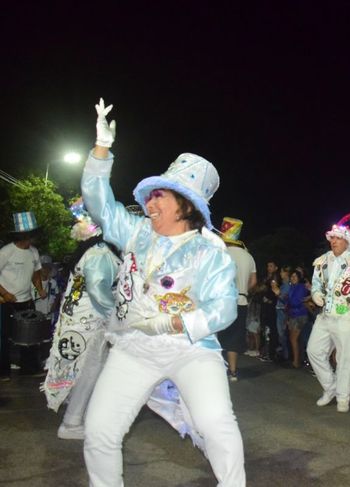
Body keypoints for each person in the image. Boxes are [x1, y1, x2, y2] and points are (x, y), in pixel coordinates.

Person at [80, 98, 245, 485]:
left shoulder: (210, 253)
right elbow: (101, 206)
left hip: (191, 351)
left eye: (160, 196)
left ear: (184, 206)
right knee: (99, 430)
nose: (149, 202)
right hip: (134, 348)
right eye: (150, 194)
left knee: (215, 423)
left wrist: (170, 322)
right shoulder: (136, 233)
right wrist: (101, 151)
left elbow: (224, 309)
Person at [43, 198, 120, 440]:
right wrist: (118, 317)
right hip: (92, 322)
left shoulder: (92, 251)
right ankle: (72, 422)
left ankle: (76, 411)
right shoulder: (100, 253)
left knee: (82, 367)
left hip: (79, 319)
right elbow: (98, 289)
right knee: (91, 368)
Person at [307, 214, 350, 413]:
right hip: (325, 315)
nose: (333, 241)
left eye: (337, 238)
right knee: (314, 351)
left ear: (347, 241)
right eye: (331, 238)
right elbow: (316, 283)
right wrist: (315, 293)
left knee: (345, 358)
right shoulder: (322, 261)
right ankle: (330, 387)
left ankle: (343, 396)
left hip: (346, 316)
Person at [0, 211, 47, 378]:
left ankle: (30, 369)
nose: (32, 239)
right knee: (3, 337)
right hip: (5, 302)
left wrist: (40, 289)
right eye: (30, 235)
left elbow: (36, 273)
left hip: (26, 300)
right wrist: (5, 293)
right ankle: (3, 372)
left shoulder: (33, 252)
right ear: (21, 235)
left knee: (29, 335)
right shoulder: (6, 252)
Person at [217, 217, 257, 382]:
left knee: (216, 334)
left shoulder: (221, 253)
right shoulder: (248, 256)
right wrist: (243, 290)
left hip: (222, 301)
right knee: (235, 336)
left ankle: (216, 369)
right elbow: (254, 282)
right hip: (241, 301)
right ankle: (233, 371)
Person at [284, 269, 310, 368]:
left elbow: (295, 302)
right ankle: (296, 359)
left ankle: (296, 361)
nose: (293, 278)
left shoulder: (300, 287)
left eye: (295, 276)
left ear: (299, 278)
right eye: (292, 276)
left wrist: (283, 297)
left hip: (299, 315)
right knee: (293, 338)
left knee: (294, 338)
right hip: (293, 315)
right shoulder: (292, 287)